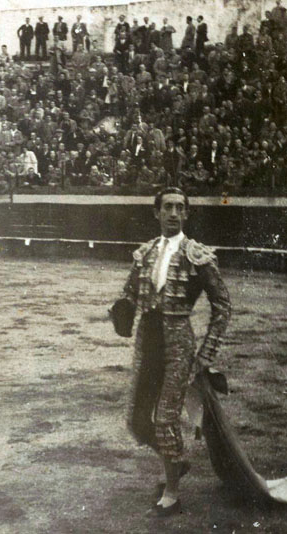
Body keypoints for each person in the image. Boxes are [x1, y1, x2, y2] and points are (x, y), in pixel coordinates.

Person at [111, 187, 231, 517]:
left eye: (180, 207)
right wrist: (120, 310)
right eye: (168, 207)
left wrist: (207, 354)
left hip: (179, 343)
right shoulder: (145, 253)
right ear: (157, 212)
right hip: (147, 341)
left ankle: (173, 492)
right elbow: (131, 295)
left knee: (165, 419)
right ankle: (176, 462)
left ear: (187, 214)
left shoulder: (197, 254)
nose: (174, 213)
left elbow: (222, 305)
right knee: (136, 420)